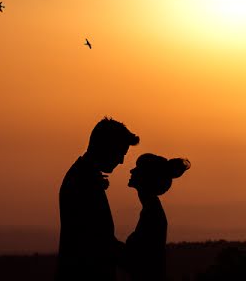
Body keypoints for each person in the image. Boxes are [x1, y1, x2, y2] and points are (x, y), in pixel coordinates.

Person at [56, 117, 140, 280]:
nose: (122, 161)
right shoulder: (83, 182)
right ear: (107, 148)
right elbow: (96, 241)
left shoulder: (82, 176)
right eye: (120, 153)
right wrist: (136, 261)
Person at [125, 153, 191, 281]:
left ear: (147, 177)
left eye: (138, 169)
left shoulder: (152, 215)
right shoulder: (152, 210)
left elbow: (136, 260)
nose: (131, 170)